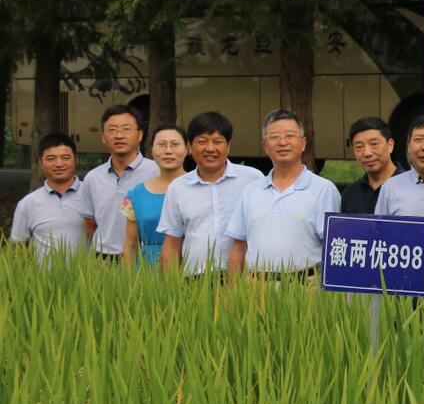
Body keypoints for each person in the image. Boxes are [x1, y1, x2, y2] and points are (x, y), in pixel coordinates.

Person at [226, 110, 341, 278]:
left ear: (303, 143)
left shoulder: (324, 189)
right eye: (274, 137)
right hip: (256, 286)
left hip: (306, 285)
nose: (282, 142)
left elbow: (333, 246)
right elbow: (238, 245)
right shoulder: (251, 191)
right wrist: (232, 289)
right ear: (265, 146)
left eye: (290, 136)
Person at [159, 112, 265, 276]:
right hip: (194, 279)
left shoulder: (252, 179)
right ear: (189, 146)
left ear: (228, 146)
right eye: (202, 141)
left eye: (218, 142)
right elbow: (172, 243)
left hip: (243, 280)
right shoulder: (178, 188)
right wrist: (169, 286)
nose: (210, 148)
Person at [79, 104, 158, 259]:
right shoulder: (93, 178)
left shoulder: (156, 172)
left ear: (140, 135)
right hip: (102, 259)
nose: (119, 135)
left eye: (126, 129)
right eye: (112, 130)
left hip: (143, 258)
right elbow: (90, 224)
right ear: (103, 137)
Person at [10, 133, 89, 261]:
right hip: (45, 274)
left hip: (89, 273)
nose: (59, 164)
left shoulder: (92, 194)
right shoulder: (27, 203)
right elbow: (17, 248)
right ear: (40, 162)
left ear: (75, 159)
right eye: (51, 158)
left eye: (65, 157)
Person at [120, 125, 187, 268]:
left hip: (192, 269)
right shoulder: (135, 194)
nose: (168, 151)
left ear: (187, 149)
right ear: (151, 150)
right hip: (147, 270)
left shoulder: (199, 188)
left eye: (175, 144)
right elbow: (131, 244)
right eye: (161, 145)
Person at [340, 116, 398, 214]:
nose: (367, 153)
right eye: (359, 146)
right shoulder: (350, 194)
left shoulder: (411, 188)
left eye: (374, 144)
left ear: (390, 145)